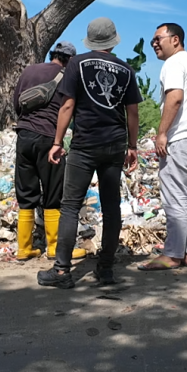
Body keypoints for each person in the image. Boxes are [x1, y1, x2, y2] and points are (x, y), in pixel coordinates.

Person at [37, 17, 142, 289]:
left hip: (85, 145)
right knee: (111, 208)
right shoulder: (126, 69)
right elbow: (132, 112)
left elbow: (67, 105)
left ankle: (62, 272)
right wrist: (132, 146)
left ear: (90, 40)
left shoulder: (77, 64)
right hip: (114, 145)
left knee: (70, 205)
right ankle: (105, 270)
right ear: (113, 39)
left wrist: (58, 141)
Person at [138, 23, 187, 270]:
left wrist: (162, 133)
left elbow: (175, 97)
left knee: (175, 194)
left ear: (175, 39)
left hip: (183, 139)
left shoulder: (173, 63)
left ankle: (172, 254)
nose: (154, 44)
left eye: (158, 38)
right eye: (152, 41)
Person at [12, 41, 86, 261]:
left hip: (23, 137)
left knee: (26, 193)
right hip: (49, 139)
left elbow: (17, 104)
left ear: (54, 54)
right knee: (53, 193)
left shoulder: (29, 70)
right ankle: (53, 246)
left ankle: (24, 249)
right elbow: (70, 108)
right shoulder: (68, 76)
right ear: (70, 59)